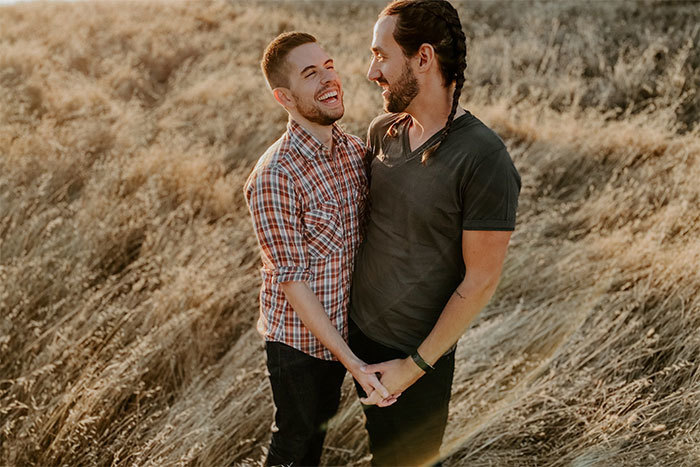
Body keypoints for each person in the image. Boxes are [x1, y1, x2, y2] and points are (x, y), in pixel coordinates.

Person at [348, 1, 522, 465]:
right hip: (358, 338)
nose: (371, 72)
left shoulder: (483, 157)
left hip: (414, 358)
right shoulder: (382, 131)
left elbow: (481, 281)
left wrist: (412, 369)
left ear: (423, 58)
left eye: (381, 56)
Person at [244, 32, 392, 466]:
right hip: (300, 344)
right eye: (311, 74)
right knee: (297, 442)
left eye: (329, 66)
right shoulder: (275, 176)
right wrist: (353, 362)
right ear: (284, 97)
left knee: (326, 425)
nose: (330, 79)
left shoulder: (354, 151)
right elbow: (292, 282)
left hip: (351, 328)